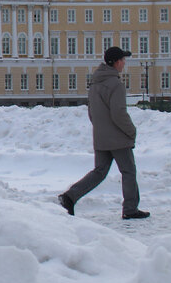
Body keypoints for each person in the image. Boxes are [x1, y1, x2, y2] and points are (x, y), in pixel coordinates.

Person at [59, 47, 150, 220]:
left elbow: (91, 112)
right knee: (128, 171)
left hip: (100, 137)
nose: (124, 63)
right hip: (118, 138)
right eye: (123, 60)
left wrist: (101, 129)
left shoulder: (95, 83)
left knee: (99, 172)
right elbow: (119, 113)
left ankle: (70, 196)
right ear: (116, 62)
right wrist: (131, 131)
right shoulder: (115, 84)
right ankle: (130, 209)